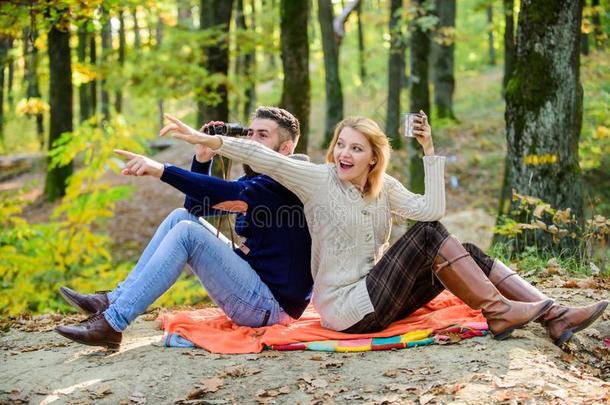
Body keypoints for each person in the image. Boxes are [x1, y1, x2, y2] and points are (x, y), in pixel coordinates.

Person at [159, 112, 608, 346]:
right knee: (429, 236)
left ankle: (554, 316)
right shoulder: (318, 179)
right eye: (341, 145)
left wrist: (429, 148)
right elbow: (265, 158)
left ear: (374, 157)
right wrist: (209, 142)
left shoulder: (384, 186)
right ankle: (500, 311)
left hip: (379, 294)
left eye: (357, 148)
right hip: (345, 308)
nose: (345, 154)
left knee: (466, 246)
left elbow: (431, 206)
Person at [55, 107, 313, 350]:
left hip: (271, 307)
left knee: (188, 233)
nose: (251, 141)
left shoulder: (285, 183)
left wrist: (161, 170)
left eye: (263, 135)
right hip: (257, 290)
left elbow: (231, 193)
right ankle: (113, 300)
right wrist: (202, 158)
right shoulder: (259, 180)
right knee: (180, 218)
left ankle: (112, 323)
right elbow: (195, 208)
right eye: (250, 133)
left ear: (286, 148)